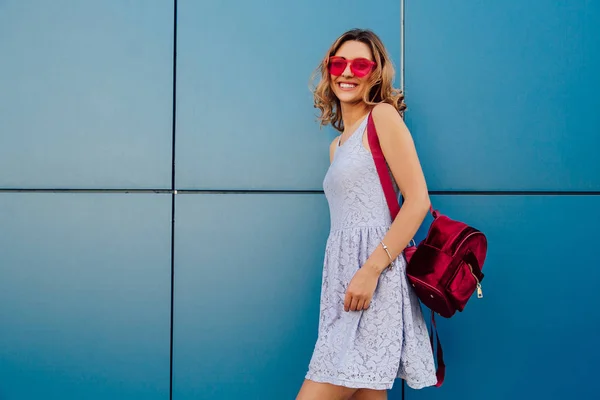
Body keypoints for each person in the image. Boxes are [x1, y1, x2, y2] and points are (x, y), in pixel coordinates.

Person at [296, 29, 438, 400]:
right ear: (328, 71)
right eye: (338, 63)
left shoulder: (383, 117)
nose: (347, 72)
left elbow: (418, 200)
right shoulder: (337, 145)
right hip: (345, 284)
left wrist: (370, 271)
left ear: (375, 74)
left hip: (374, 280)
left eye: (359, 64)